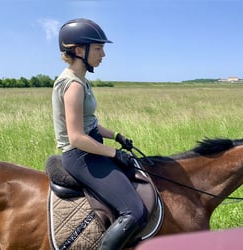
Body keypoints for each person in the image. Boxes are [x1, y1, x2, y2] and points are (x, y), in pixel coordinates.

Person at [52, 18, 147, 250]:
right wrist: (114, 153)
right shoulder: (72, 85)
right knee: (134, 212)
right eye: (98, 48)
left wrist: (116, 136)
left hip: (90, 149)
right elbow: (76, 137)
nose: (103, 54)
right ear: (77, 50)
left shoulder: (82, 81)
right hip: (80, 156)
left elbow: (90, 125)